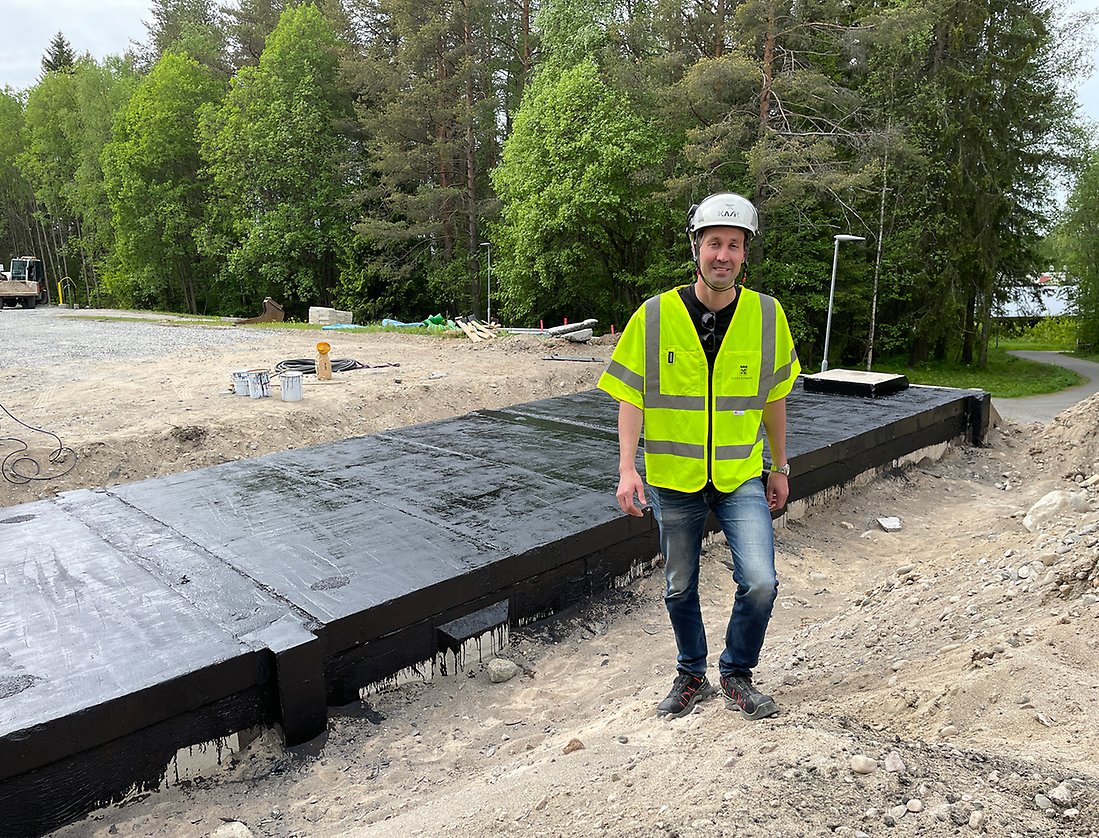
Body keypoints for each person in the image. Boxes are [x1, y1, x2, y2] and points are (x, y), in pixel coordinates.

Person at [597, 192, 800, 720]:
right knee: (679, 585)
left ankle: (736, 673)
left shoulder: (766, 315)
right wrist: (626, 468)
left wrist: (780, 466)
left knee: (761, 582)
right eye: (714, 243)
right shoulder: (655, 315)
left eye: (734, 244)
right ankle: (691, 674)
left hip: (739, 474)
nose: (723, 255)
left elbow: (774, 397)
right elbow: (631, 395)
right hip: (673, 476)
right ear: (696, 248)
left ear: (745, 253)